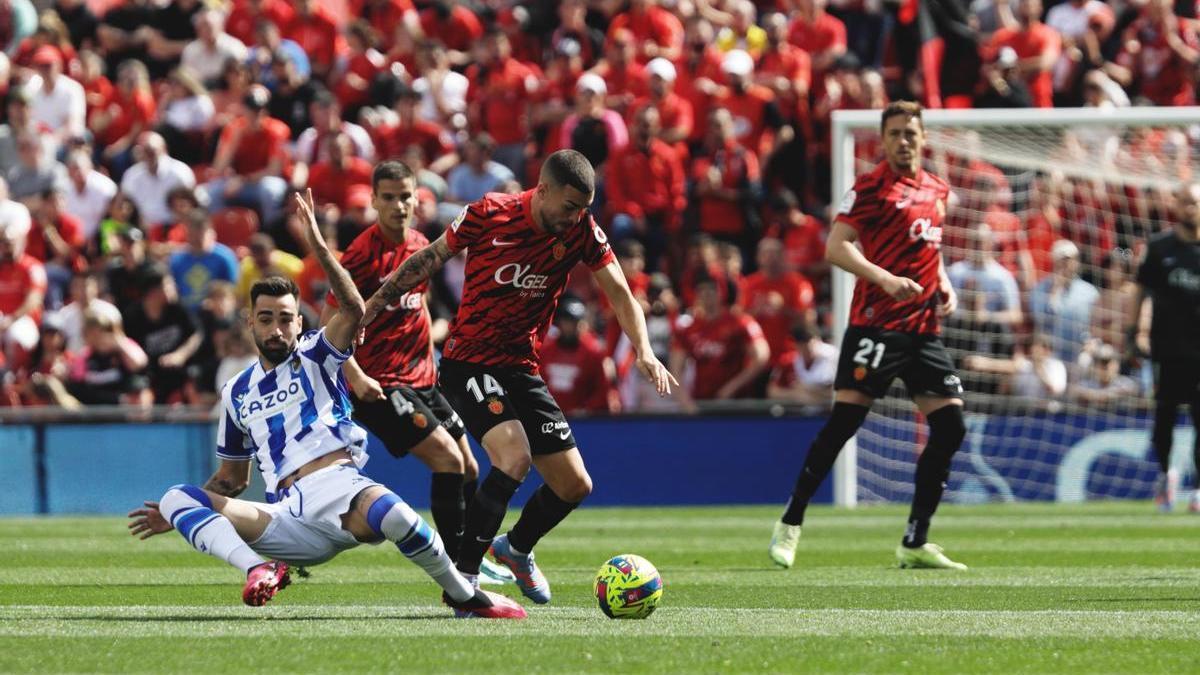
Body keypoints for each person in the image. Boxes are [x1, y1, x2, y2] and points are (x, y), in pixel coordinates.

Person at [126, 190, 524, 619]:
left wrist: (316, 242)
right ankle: (260, 568)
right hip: (284, 517)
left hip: (337, 488)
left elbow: (354, 307)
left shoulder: (317, 352)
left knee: (397, 517)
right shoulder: (236, 391)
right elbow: (230, 480)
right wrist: (189, 515)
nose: (276, 329)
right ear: (250, 323)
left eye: (285, 319)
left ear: (299, 322)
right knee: (175, 497)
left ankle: (462, 594)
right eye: (265, 319)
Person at [361, 149, 676, 603]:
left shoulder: (582, 230)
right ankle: (464, 581)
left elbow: (620, 292)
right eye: (569, 207)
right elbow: (430, 258)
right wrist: (373, 307)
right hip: (468, 361)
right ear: (542, 190)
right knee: (513, 457)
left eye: (583, 210)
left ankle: (516, 548)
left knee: (573, 484)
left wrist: (643, 350)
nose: (575, 218)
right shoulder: (490, 213)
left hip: (520, 367)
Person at [769, 101, 969, 571]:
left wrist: (944, 282)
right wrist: (884, 279)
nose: (904, 140)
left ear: (923, 138)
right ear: (882, 140)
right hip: (875, 325)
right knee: (844, 425)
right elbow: (836, 247)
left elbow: (929, 249)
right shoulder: (871, 187)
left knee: (951, 426)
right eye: (895, 132)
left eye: (911, 132)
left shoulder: (937, 189)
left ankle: (915, 541)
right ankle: (790, 523)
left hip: (922, 330)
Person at [321, 160, 514, 585]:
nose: (398, 205)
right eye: (388, 197)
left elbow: (420, 307)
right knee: (446, 459)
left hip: (424, 377)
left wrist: (434, 359)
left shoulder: (420, 244)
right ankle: (457, 571)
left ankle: (469, 556)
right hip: (380, 384)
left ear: (416, 198)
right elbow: (328, 321)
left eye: (405, 196)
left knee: (469, 468)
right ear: (373, 200)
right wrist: (353, 376)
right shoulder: (360, 255)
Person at [1132, 182, 1200, 512]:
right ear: (1177, 206)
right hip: (1167, 349)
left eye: (1196, 203)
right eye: (1187, 202)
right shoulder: (1159, 248)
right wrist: (1135, 331)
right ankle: (1165, 475)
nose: (1192, 209)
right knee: (1165, 419)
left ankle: (1199, 489)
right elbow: (1141, 291)